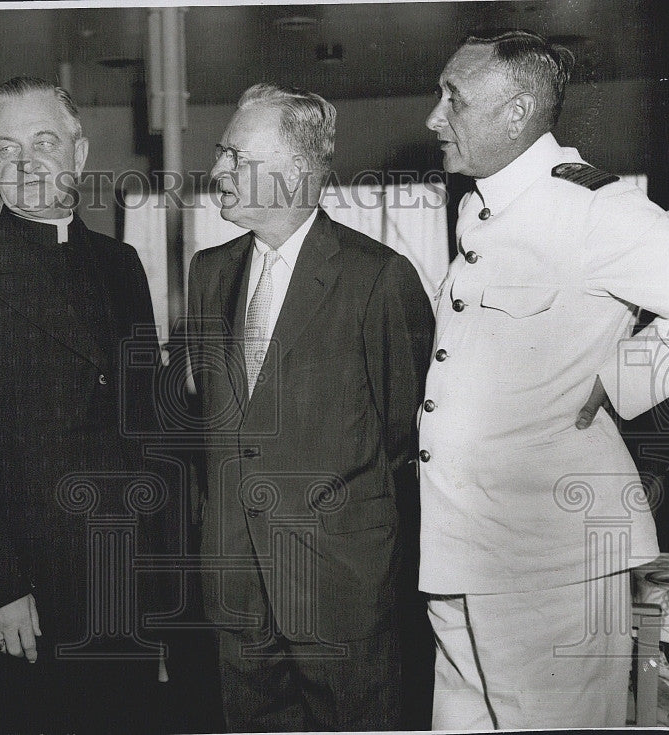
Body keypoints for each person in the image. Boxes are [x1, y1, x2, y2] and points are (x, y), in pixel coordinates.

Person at [420, 30, 669, 729]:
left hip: (550, 563)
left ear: (516, 113)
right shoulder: (479, 207)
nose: (433, 117)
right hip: (462, 553)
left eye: (453, 98)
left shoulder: (591, 209)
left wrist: (622, 377)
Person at [0, 76, 173, 734]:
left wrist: (166, 593)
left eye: (44, 142)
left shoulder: (122, 265)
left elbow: (150, 435)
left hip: (125, 583)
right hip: (28, 594)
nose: (27, 163)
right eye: (6, 147)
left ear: (80, 155)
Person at [185, 83, 434, 732]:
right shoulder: (207, 273)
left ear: (296, 173)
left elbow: (405, 440)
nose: (218, 172)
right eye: (221, 154)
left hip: (339, 587)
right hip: (236, 581)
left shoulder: (377, 277)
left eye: (238, 158)